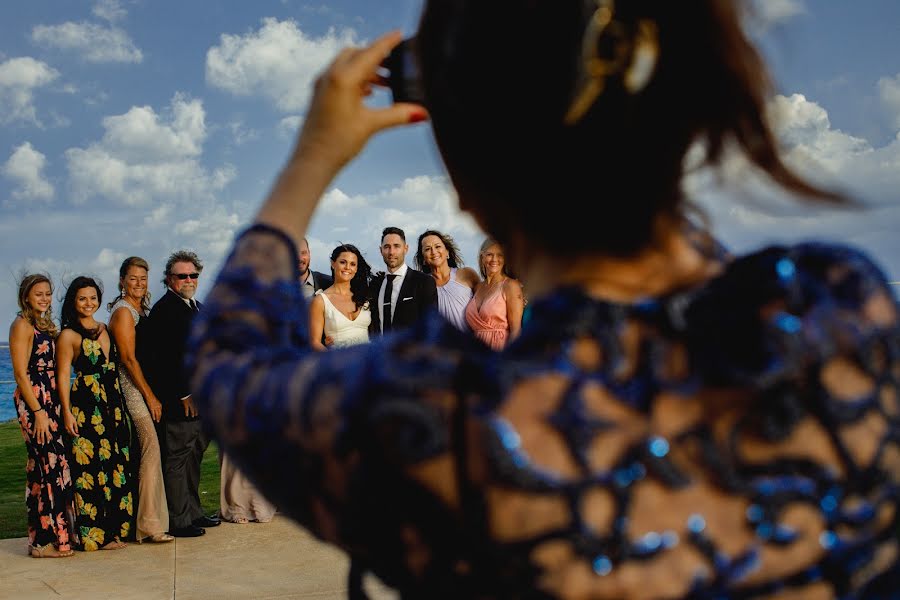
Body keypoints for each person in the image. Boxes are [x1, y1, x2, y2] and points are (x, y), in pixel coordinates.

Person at [189, 2, 900, 596]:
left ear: (467, 184)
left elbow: (226, 357)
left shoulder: (439, 415)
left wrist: (314, 155)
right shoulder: (835, 309)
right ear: (681, 115)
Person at [57, 277, 136, 551]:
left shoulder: (105, 329)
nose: (89, 303)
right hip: (86, 407)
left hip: (112, 404)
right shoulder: (68, 335)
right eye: (82, 298)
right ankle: (97, 536)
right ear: (73, 302)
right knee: (90, 469)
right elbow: (63, 376)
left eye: (93, 298)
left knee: (116, 465)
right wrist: (66, 413)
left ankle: (116, 531)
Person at [145, 250, 219, 538]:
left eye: (193, 275)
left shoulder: (197, 307)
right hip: (182, 402)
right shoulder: (165, 311)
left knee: (193, 458)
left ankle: (194, 512)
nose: (188, 280)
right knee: (177, 460)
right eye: (182, 276)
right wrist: (184, 394)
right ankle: (178, 520)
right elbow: (162, 360)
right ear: (169, 279)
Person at [9, 274, 76, 558]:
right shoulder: (21, 325)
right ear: (26, 296)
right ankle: (43, 542)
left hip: (51, 399)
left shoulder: (46, 326)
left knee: (49, 467)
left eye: (48, 293)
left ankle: (50, 538)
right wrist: (37, 412)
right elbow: (20, 374)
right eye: (39, 294)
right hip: (34, 400)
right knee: (49, 465)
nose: (45, 299)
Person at [108, 257, 173, 544]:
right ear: (122, 280)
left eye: (143, 278)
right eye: (132, 278)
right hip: (133, 390)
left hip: (143, 388)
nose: (138, 283)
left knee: (143, 453)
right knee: (151, 451)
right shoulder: (123, 312)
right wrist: (150, 397)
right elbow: (128, 359)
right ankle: (149, 524)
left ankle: (140, 521)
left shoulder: (139, 309)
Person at [369, 226, 438, 335]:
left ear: (405, 249)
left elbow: (431, 324)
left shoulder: (423, 282)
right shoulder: (375, 284)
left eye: (396, 246)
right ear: (381, 250)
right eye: (387, 247)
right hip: (380, 350)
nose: (391, 252)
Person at [309, 243, 373, 350]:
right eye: (343, 262)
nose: (347, 267)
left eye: (353, 264)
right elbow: (314, 342)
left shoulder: (364, 297)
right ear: (333, 264)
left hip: (367, 363)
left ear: (356, 269)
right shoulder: (320, 301)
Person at [465, 239, 525, 350]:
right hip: (476, 352)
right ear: (482, 257)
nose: (494, 259)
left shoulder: (511, 286)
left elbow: (516, 331)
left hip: (499, 351)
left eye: (500, 255)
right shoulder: (477, 287)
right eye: (489, 255)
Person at [414, 229, 479, 331]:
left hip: (471, 342)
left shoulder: (467, 274)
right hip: (441, 345)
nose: (433, 251)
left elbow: (486, 305)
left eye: (438, 246)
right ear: (423, 259)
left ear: (447, 252)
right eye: (427, 249)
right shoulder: (421, 285)